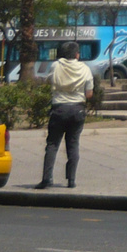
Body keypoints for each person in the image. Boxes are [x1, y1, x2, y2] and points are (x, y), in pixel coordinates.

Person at [38, 40, 94, 189]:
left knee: (52, 145)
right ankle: (71, 180)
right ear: (77, 54)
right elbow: (89, 93)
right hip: (77, 109)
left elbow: (48, 81)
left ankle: (47, 179)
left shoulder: (56, 65)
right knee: (73, 145)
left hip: (59, 108)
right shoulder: (85, 68)